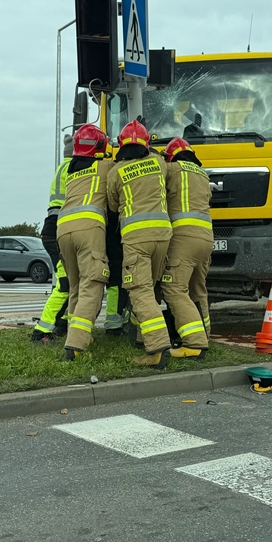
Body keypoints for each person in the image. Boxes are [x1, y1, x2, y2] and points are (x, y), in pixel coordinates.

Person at [106, 119, 172, 368]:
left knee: (140, 291)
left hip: (136, 238)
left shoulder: (116, 172)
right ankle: (141, 337)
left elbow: (113, 206)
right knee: (150, 289)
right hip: (163, 235)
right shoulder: (158, 162)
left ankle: (157, 349)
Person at [56, 124, 113, 360]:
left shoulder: (71, 170)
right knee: (92, 285)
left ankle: (77, 334)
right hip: (88, 228)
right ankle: (76, 346)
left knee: (76, 287)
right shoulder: (104, 167)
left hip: (63, 229)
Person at [160, 137, 212, 358]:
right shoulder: (203, 174)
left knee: (174, 288)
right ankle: (205, 334)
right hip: (206, 238)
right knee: (198, 290)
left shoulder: (172, 169)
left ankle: (194, 343)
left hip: (183, 238)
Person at [32, 136, 73, 343]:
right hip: (58, 227)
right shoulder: (74, 168)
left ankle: (62, 324)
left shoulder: (62, 166)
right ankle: (41, 331)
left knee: (71, 281)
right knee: (65, 283)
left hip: (53, 226)